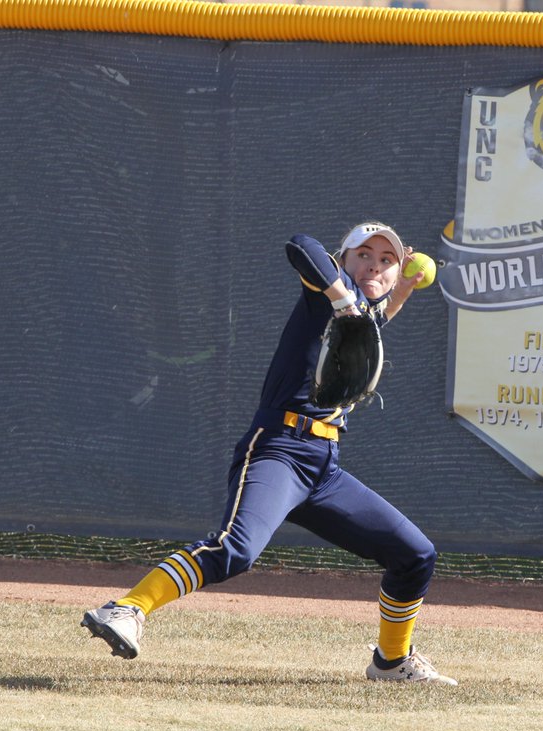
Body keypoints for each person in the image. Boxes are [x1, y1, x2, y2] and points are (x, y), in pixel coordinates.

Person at [81, 222, 456, 685]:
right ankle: (126, 609)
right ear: (343, 259)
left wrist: (400, 288)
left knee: (415, 555)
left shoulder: (365, 317)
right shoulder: (327, 294)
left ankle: (391, 661)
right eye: (364, 254)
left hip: (324, 467)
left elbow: (375, 313)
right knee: (235, 550)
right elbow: (302, 245)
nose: (374, 265)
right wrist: (341, 292)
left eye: (386, 259)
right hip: (278, 449)